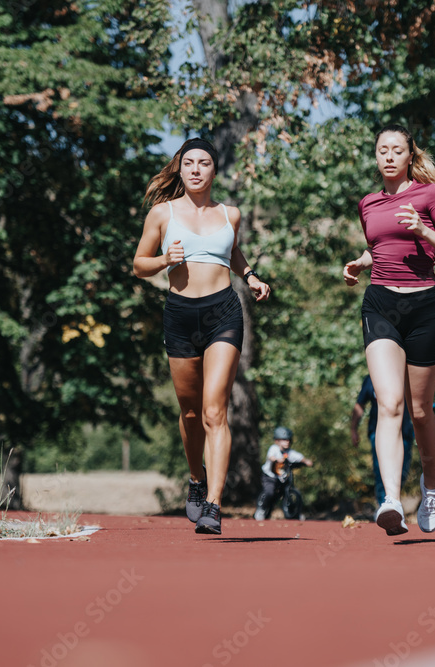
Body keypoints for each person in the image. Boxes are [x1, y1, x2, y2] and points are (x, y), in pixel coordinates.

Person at [133, 138, 271, 535]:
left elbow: (232, 252)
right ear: (180, 169)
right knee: (191, 413)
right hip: (179, 315)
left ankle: (214, 503)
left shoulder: (231, 213)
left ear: (214, 170)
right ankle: (196, 478)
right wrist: (163, 260)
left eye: (204, 163)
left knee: (215, 411)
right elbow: (139, 264)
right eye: (189, 163)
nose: (196, 169)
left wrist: (250, 276)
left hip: (223, 313)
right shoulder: (163, 213)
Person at [343, 125, 435, 536]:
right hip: (381, 304)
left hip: (424, 306)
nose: (389, 156)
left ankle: (430, 485)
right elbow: (381, 244)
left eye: (397, 150)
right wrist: (361, 263)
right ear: (376, 156)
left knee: (419, 410)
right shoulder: (368, 203)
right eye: (383, 150)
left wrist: (424, 230)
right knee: (388, 403)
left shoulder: (430, 196)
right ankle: (391, 501)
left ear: (408, 155)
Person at [350, 374, 414, 505]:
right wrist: (353, 429)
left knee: (401, 472)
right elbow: (360, 405)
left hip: (404, 433)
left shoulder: (409, 377)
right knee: (381, 471)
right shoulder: (371, 378)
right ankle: (384, 505)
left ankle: (393, 502)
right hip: (378, 433)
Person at [254, 426, 313, 520]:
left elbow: (299, 457)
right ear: (277, 441)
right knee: (269, 492)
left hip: (282, 478)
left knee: (289, 491)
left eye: (289, 440)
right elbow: (270, 456)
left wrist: (306, 461)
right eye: (284, 440)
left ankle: (295, 513)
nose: (287, 442)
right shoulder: (274, 449)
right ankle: (261, 509)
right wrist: (277, 459)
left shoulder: (290, 452)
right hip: (270, 476)